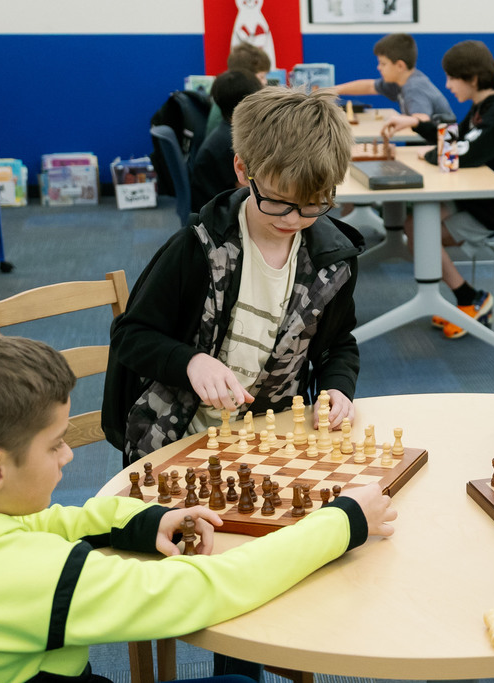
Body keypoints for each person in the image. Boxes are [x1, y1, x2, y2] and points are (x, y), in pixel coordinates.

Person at [0, 333, 397, 683]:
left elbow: (47, 523)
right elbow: (206, 588)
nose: (67, 457)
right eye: (56, 443)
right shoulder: (26, 573)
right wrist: (343, 521)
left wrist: (148, 521)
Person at [103, 87, 363, 466]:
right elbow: (130, 336)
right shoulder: (198, 247)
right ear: (243, 170)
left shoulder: (332, 261)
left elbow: (336, 344)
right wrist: (190, 362)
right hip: (176, 441)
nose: (292, 219)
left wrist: (337, 388)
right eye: (276, 200)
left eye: (312, 204)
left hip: (269, 441)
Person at [414, 39, 494, 339]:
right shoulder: (482, 106)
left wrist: (427, 154)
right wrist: (416, 124)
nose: (448, 85)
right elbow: (457, 137)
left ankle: (469, 298)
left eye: (452, 77)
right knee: (415, 224)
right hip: (474, 199)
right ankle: (464, 296)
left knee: (423, 234)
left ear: (473, 79)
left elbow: (467, 153)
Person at [332, 33, 454, 142]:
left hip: (438, 146)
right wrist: (334, 90)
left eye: (383, 63)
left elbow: (422, 119)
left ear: (400, 66)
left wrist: (401, 120)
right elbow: (369, 86)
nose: (378, 68)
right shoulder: (399, 81)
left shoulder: (414, 88)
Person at [190, 69, 264, 212]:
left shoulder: (226, 131)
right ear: (249, 102)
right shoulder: (230, 144)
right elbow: (249, 190)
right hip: (218, 215)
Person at [206, 42, 272, 138]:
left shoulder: (226, 99)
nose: (265, 82)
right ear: (246, 77)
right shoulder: (233, 104)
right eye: (262, 77)